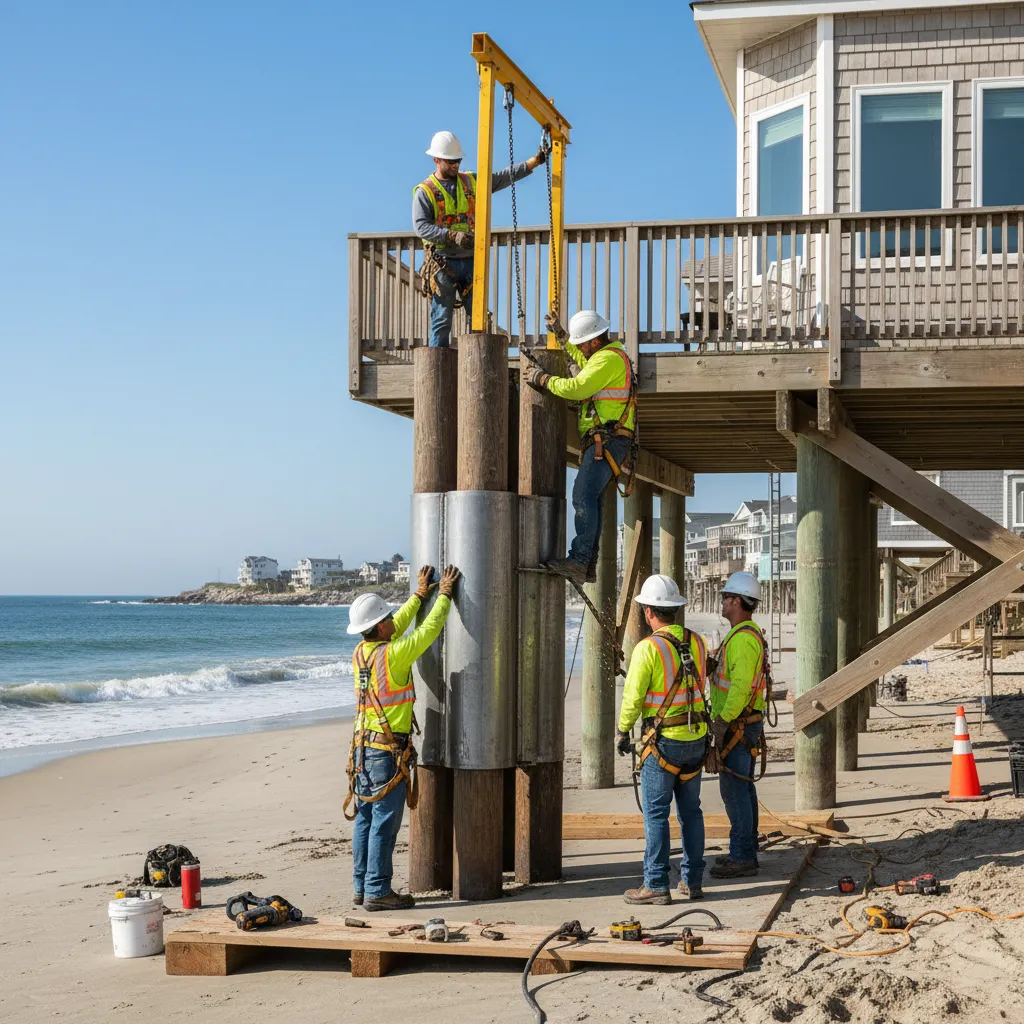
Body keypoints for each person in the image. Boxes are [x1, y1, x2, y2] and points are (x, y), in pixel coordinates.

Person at [343, 563, 460, 911]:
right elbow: (427, 631)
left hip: (361, 749)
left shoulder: (361, 653)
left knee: (364, 819)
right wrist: (443, 596)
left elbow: (400, 626)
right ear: (380, 626)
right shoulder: (394, 654)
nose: (395, 619)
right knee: (384, 823)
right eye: (389, 617)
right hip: (385, 754)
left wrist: (419, 595)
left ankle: (362, 886)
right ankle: (378, 891)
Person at [524, 309, 636, 586]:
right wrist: (561, 336)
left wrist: (543, 379)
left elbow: (577, 388)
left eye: (581, 343)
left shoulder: (608, 360)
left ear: (595, 341)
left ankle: (580, 560)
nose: (579, 349)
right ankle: (586, 564)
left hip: (607, 440)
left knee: (582, 497)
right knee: (591, 499)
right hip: (608, 439)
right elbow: (581, 361)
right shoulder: (605, 356)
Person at [615, 574, 709, 905]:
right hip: (697, 740)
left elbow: (633, 697)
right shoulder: (698, 642)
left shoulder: (648, 648)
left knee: (656, 814)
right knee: (691, 812)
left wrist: (622, 729)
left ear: (648, 612)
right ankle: (693, 881)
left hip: (663, 742)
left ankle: (656, 883)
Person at [413, 130, 546, 348]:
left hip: (472, 260)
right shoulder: (425, 191)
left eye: (457, 161)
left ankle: (475, 367)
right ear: (436, 160)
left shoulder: (471, 181)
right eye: (450, 162)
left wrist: (533, 162)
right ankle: (438, 371)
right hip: (443, 262)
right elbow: (421, 227)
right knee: (441, 320)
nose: (455, 165)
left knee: (478, 320)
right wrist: (452, 235)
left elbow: (502, 177)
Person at [708, 571, 769, 880]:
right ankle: (746, 851)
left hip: (738, 725)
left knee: (734, 791)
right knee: (742, 789)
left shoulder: (744, 639)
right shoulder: (741, 635)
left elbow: (740, 688)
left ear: (736, 601)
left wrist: (722, 723)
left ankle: (743, 855)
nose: (722, 601)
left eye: (725, 597)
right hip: (743, 724)